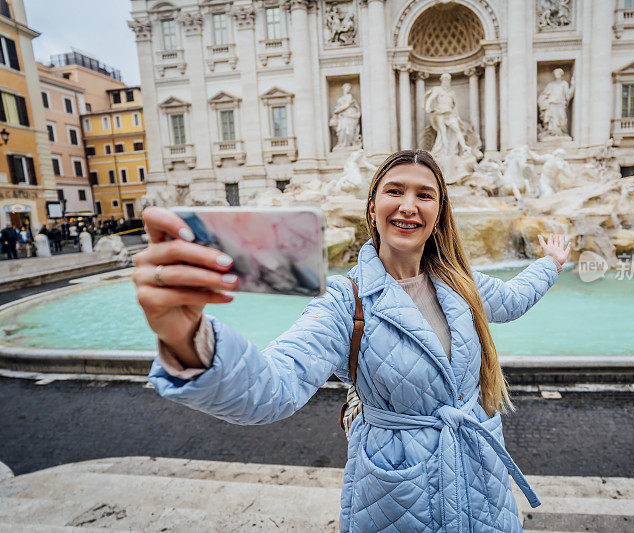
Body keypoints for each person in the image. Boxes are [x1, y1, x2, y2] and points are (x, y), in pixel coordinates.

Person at [134, 150, 571, 532]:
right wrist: (186, 335)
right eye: (394, 191)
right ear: (373, 205)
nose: (408, 206)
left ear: (439, 212)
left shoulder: (461, 282)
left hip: (483, 488)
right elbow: (273, 388)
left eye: (424, 195)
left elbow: (513, 300)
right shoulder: (346, 299)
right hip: (398, 498)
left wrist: (551, 264)